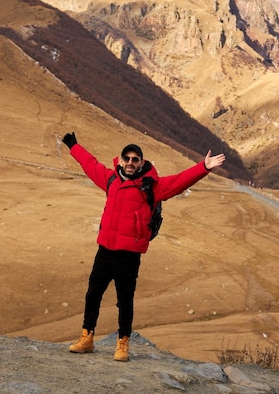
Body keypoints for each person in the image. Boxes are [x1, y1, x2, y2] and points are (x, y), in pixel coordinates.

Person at [62, 131, 225, 362]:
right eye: (126, 159)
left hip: (129, 255)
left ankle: (123, 345)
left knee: (125, 300)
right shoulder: (110, 180)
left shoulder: (151, 188)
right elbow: (91, 165)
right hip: (105, 249)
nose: (130, 163)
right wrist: (74, 146)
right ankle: (86, 339)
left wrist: (204, 167)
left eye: (134, 159)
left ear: (141, 163)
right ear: (120, 161)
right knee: (93, 294)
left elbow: (179, 182)